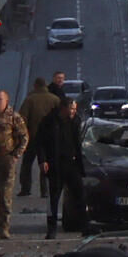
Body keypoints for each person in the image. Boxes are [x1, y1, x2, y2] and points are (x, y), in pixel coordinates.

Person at [34, 94, 85, 237]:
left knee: (79, 193)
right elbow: (40, 143)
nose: (73, 112)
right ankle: (52, 228)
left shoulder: (75, 121)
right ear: (63, 108)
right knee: (53, 198)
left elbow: (78, 143)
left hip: (72, 164)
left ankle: (85, 226)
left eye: (75, 109)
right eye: (71, 109)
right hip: (55, 165)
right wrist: (42, 160)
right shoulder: (49, 121)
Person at [17, 75, 58, 198]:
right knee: (46, 163)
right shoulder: (54, 99)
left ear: (35, 86)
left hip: (32, 137)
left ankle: (25, 188)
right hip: (49, 138)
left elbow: (21, 118)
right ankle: (45, 190)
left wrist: (22, 134)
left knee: (27, 163)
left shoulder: (30, 100)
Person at [0, 87, 22, 239]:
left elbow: (24, 137)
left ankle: (4, 229)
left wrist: (15, 156)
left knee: (5, 198)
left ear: (6, 101)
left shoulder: (13, 117)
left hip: (6, 161)